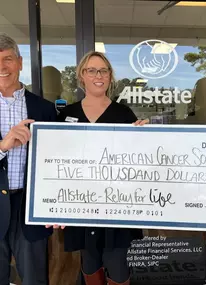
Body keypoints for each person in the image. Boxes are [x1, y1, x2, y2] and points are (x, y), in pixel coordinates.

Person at [56, 51, 147, 285]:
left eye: (103, 70)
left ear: (110, 76)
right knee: (89, 262)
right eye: (91, 70)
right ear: (81, 76)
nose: (98, 75)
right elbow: (55, 160)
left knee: (117, 264)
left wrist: (144, 137)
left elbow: (136, 157)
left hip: (116, 204)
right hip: (81, 203)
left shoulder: (123, 113)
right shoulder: (67, 114)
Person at [0, 34, 56, 285]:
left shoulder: (44, 109)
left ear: (20, 63)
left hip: (29, 208)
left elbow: (57, 162)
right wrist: (3, 146)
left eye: (8, 59)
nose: (2, 68)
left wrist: (56, 205)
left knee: (35, 279)